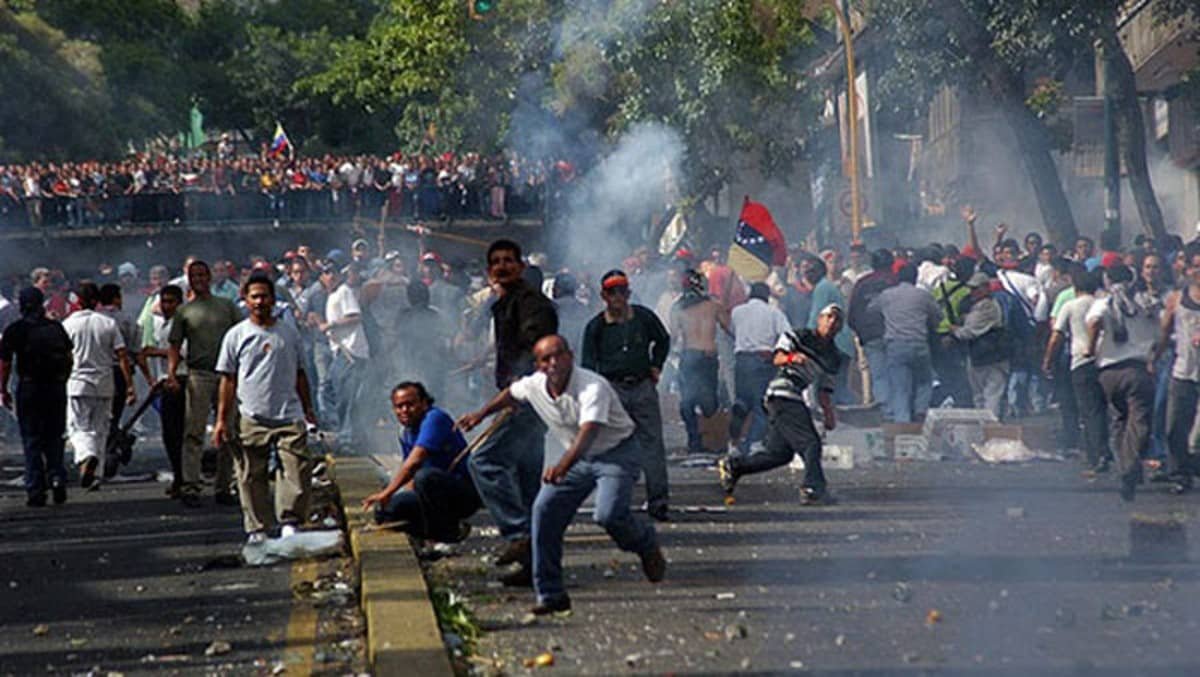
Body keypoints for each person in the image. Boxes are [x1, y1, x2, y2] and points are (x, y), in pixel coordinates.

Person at [458, 335, 665, 615]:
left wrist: (563, 465)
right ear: (539, 365)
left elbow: (588, 431)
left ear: (571, 356)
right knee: (544, 512)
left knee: (608, 515)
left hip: (616, 454)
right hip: (577, 459)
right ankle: (550, 593)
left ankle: (645, 543)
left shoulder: (593, 386)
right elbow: (511, 393)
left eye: (559, 355)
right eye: (546, 359)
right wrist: (480, 414)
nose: (553, 363)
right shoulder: (534, 384)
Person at [466, 239, 558, 586]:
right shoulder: (502, 304)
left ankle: (518, 533)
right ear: (490, 271)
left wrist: (521, 387)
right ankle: (537, 568)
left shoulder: (532, 305)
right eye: (496, 262)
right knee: (525, 482)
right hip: (521, 396)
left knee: (484, 462)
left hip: (528, 399)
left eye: (508, 261)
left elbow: (537, 350)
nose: (502, 266)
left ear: (521, 266)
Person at [213, 274, 317, 544]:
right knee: (250, 474)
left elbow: (300, 373)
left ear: (273, 299)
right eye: (254, 296)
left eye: (265, 296)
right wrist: (222, 419)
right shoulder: (236, 335)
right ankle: (257, 527)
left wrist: (308, 408)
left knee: (296, 470)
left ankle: (290, 521)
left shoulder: (288, 332)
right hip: (251, 415)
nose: (260, 301)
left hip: (289, 414)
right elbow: (228, 379)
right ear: (245, 300)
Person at [718, 304, 845, 505]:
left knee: (779, 454)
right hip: (783, 393)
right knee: (811, 443)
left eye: (837, 320)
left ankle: (736, 466)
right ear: (819, 319)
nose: (831, 323)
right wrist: (793, 357)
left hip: (792, 396)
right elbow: (777, 358)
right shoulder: (800, 336)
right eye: (829, 317)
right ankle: (813, 488)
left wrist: (829, 414)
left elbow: (824, 390)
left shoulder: (834, 357)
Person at [580, 269, 672, 521]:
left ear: (628, 293)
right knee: (612, 446)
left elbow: (663, 340)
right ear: (604, 295)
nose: (618, 296)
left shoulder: (643, 318)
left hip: (642, 386)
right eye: (612, 292)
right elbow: (588, 366)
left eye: (622, 291)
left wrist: (656, 365)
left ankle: (659, 502)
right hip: (612, 390)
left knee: (652, 444)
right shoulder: (595, 327)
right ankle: (614, 500)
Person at [361, 382, 480, 542]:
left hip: (461, 492)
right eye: (399, 406)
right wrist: (393, 498)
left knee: (425, 477)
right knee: (386, 512)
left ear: (424, 403)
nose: (404, 410)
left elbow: (414, 463)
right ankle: (428, 530)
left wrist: (387, 492)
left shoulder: (435, 419)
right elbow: (409, 476)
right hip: (428, 492)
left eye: (410, 404)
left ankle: (449, 532)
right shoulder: (405, 431)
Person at [167, 260, 243, 506]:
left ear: (209, 277)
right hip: (198, 375)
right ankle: (191, 486)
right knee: (193, 432)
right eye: (193, 275)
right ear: (188, 279)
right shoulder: (184, 311)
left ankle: (224, 486)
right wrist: (171, 374)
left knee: (229, 431)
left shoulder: (227, 306)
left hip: (227, 376)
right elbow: (174, 345)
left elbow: (242, 337)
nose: (198, 279)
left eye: (202, 274)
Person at [1086, 264, 1159, 501]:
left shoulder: (1104, 302)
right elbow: (1162, 328)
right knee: (1138, 421)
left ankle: (1126, 468)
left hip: (1108, 371)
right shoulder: (1144, 302)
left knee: (1119, 419)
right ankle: (1130, 466)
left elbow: (1094, 322)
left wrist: (1090, 347)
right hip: (1138, 369)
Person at [0, 287, 73, 506]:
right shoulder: (55, 327)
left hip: (30, 387)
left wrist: (3, 389)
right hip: (55, 387)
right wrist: (63, 379)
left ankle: (36, 489)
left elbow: (4, 363)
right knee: (54, 436)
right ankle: (57, 476)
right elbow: (69, 356)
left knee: (32, 439)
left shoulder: (16, 330)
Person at [62, 282, 134, 490]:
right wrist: (129, 385)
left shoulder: (68, 325)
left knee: (78, 427)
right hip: (104, 383)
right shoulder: (107, 323)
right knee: (101, 429)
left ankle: (87, 456)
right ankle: (96, 474)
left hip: (77, 383)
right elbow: (122, 355)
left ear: (78, 300)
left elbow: (64, 356)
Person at [1044, 269, 1111, 475]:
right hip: (1106, 361)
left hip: (1081, 361)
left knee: (1089, 411)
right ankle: (1107, 450)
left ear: (1075, 287)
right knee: (1105, 409)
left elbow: (1057, 336)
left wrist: (1048, 360)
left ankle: (1096, 456)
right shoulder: (1104, 305)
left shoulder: (1070, 306)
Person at [869, 264, 942, 423]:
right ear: (915, 278)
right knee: (925, 381)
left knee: (900, 387)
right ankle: (921, 411)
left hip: (896, 345)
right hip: (920, 344)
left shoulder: (887, 295)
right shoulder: (923, 295)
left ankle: (902, 423)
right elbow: (938, 315)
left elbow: (871, 309)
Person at [670, 269, 729, 453]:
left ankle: (697, 439)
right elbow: (729, 328)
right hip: (707, 357)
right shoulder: (714, 306)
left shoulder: (678, 308)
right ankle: (702, 439)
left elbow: (672, 337)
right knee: (705, 401)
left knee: (690, 400)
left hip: (690, 356)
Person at [727, 281, 790, 454]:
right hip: (763, 361)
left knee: (742, 401)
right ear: (767, 296)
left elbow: (732, 331)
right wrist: (778, 351)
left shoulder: (737, 312)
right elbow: (787, 334)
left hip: (741, 360)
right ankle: (754, 443)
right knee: (762, 405)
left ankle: (733, 445)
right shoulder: (773, 313)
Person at [1158, 245, 1200, 493]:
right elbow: (1164, 330)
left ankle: (1192, 464)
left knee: (1197, 434)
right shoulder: (1177, 297)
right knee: (1175, 425)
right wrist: (1156, 355)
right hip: (1182, 371)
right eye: (1196, 266)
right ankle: (1179, 473)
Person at [317, 261, 371, 452]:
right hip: (340, 351)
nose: (330, 276)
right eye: (326, 273)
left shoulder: (344, 291)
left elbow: (355, 316)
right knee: (331, 390)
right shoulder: (331, 296)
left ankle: (348, 439)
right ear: (322, 277)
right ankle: (348, 433)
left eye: (332, 272)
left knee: (345, 396)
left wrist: (330, 325)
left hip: (351, 352)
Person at [950, 272, 1008, 418]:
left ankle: (990, 427)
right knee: (979, 396)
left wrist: (954, 330)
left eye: (977, 288)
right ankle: (983, 428)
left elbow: (968, 332)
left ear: (987, 288)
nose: (973, 292)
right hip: (978, 356)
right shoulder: (978, 305)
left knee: (991, 395)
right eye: (972, 289)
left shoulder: (986, 306)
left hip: (992, 355)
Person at [847, 249, 896, 414]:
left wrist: (861, 333)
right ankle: (899, 410)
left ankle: (886, 410)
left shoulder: (862, 283)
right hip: (896, 335)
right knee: (898, 374)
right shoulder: (895, 281)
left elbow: (852, 313)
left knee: (879, 375)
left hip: (871, 337)